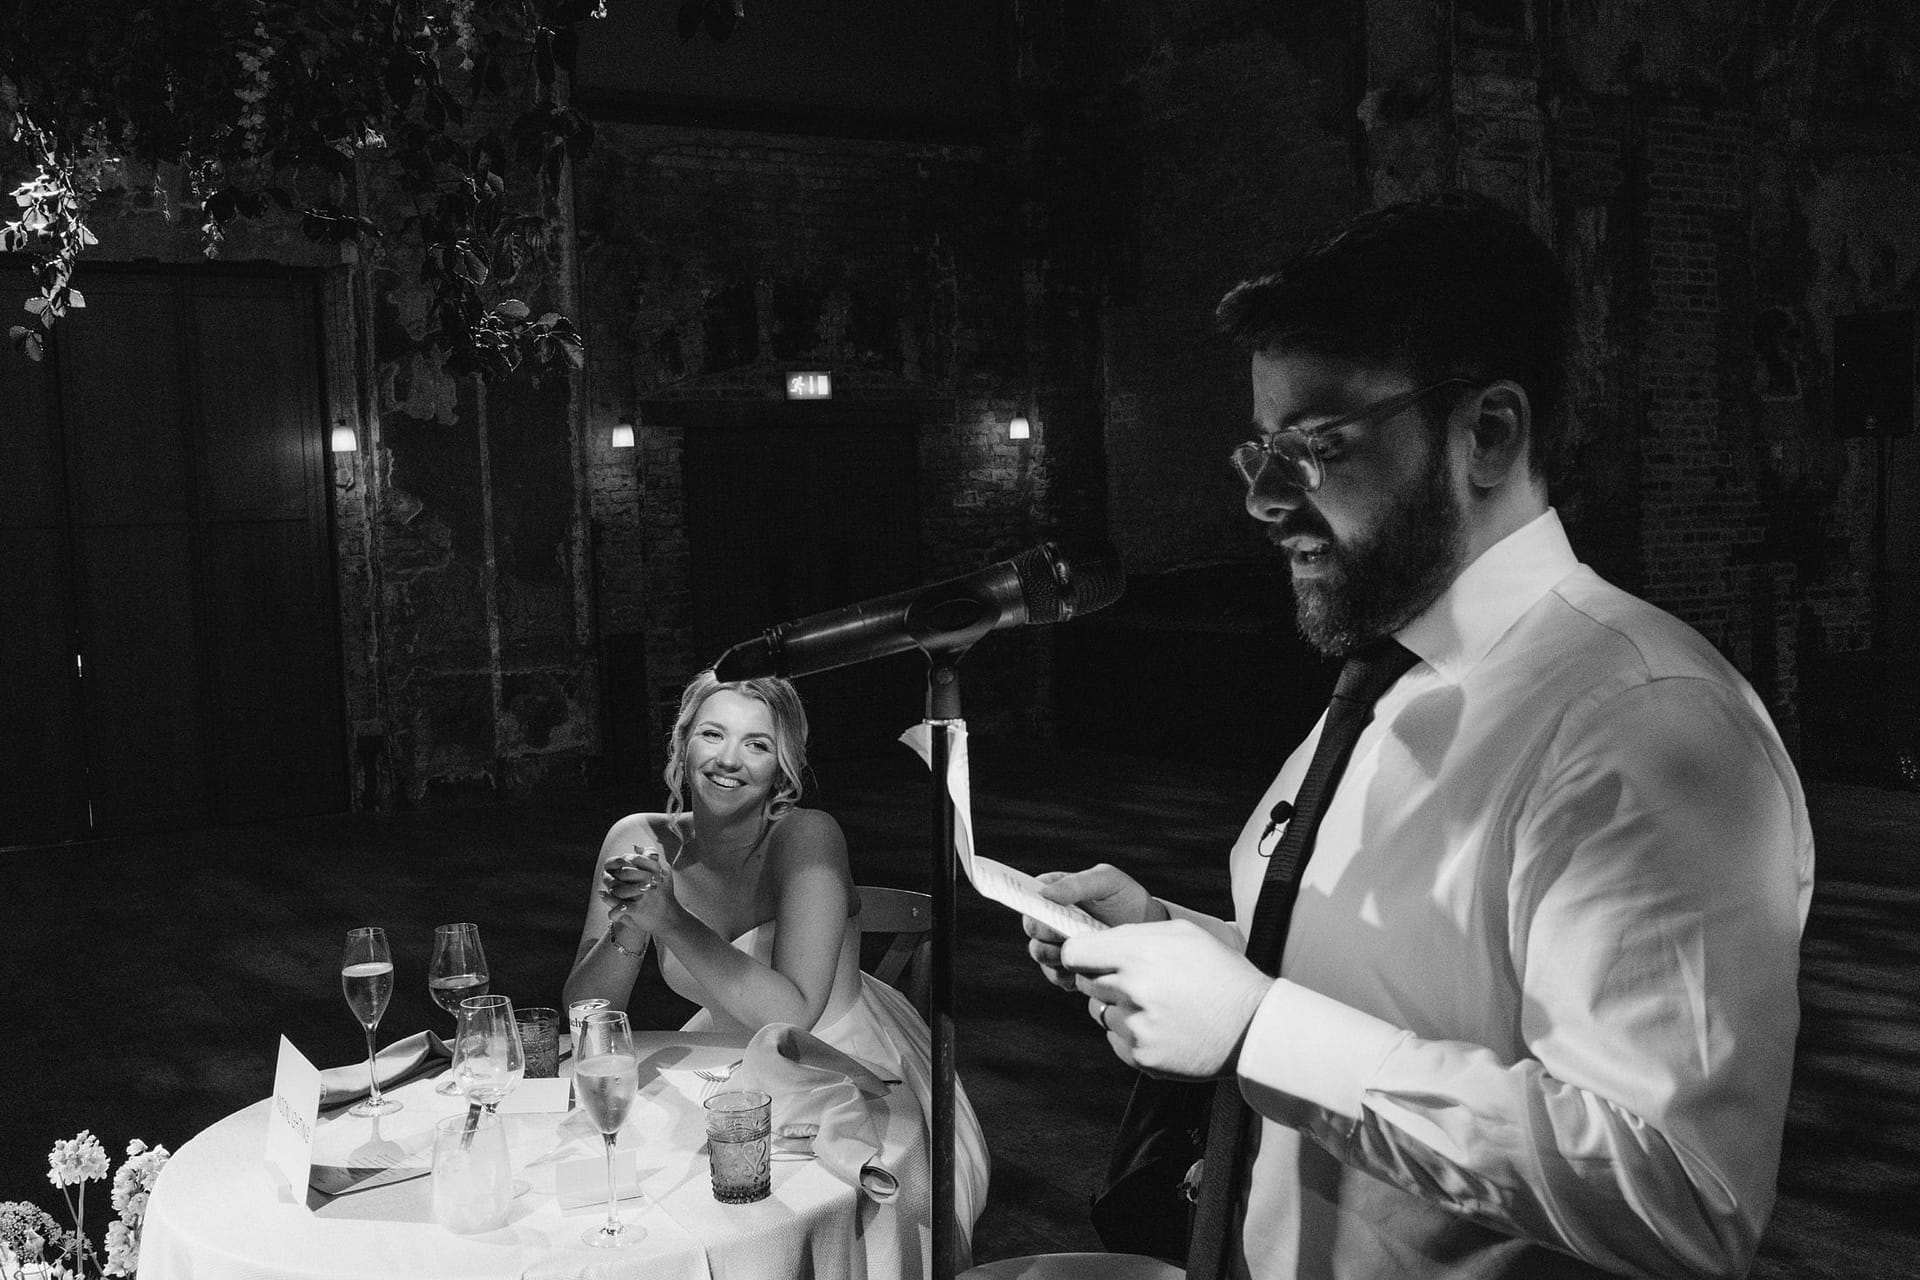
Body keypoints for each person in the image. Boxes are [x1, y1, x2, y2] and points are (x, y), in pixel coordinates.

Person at [1022, 192, 1815, 1280]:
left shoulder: (1648, 721)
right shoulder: (1387, 669)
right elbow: (1395, 987)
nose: (1261, 499)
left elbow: (1680, 1188)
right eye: (1260, 447)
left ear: (1487, 432)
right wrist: (1180, 940)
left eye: (1313, 446)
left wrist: (1257, 1030)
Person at [564, 669, 990, 1245]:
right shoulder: (639, 837)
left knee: (765, 1221)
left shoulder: (808, 837)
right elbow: (588, 1011)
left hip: (837, 1069)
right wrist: (633, 928)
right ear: (682, 741)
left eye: (757, 744)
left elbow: (794, 1015)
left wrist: (672, 920)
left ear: (783, 766)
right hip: (717, 1063)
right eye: (713, 735)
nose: (730, 760)